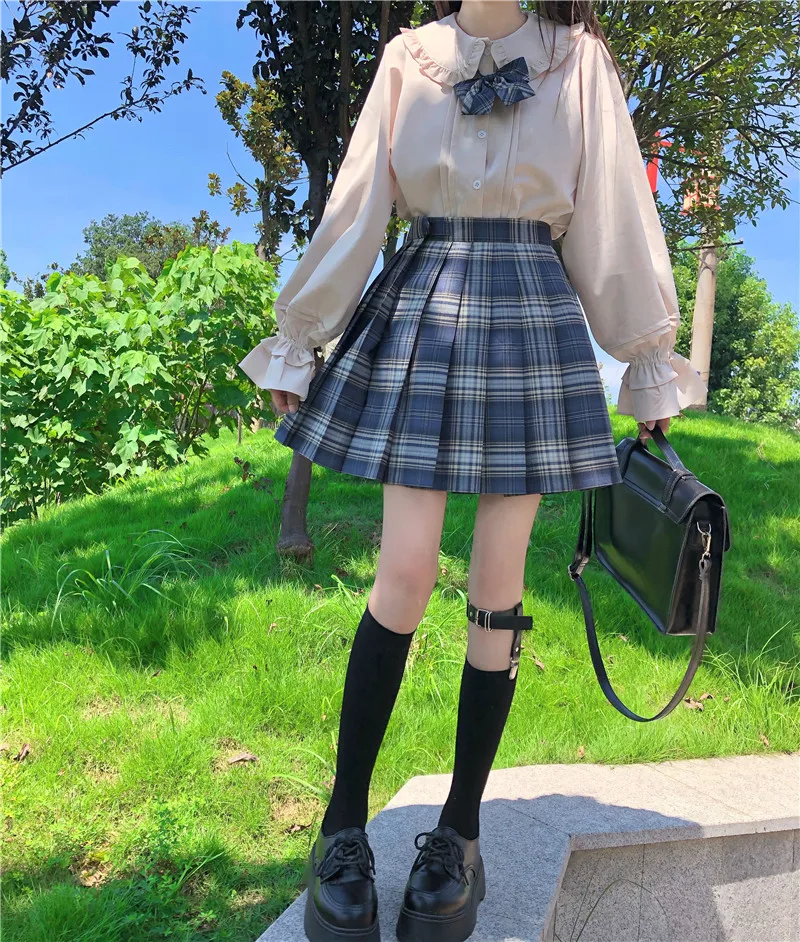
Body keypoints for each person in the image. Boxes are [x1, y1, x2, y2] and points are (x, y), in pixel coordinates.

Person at [238, 1, 708, 940]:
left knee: (498, 584)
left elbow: (613, 212)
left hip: (531, 309)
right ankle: (341, 827)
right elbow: (358, 201)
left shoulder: (578, 62)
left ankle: (459, 835)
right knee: (405, 573)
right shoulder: (408, 58)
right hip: (426, 300)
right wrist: (302, 335)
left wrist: (648, 360)